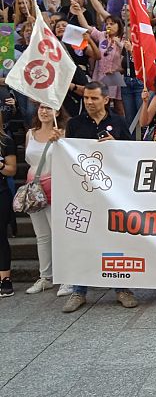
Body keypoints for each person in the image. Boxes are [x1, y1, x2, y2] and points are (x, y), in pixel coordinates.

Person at [62, 82, 137, 312]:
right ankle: (79, 291)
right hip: (82, 194)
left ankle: (121, 288)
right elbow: (66, 155)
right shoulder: (74, 124)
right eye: (86, 98)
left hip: (113, 195)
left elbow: (133, 154)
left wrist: (117, 146)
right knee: (83, 241)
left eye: (94, 98)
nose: (89, 102)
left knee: (116, 240)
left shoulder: (119, 122)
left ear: (106, 99)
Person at [24, 104, 69, 296]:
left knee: (59, 234)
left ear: (57, 112)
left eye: (49, 108)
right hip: (33, 188)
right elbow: (28, 160)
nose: (44, 111)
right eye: (41, 108)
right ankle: (45, 277)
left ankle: (67, 278)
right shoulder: (30, 133)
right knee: (41, 235)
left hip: (55, 186)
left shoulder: (62, 133)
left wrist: (60, 141)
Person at [71, 2, 126, 116]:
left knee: (117, 105)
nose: (109, 26)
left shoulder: (123, 39)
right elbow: (86, 27)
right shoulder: (102, 35)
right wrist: (79, 12)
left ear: (119, 25)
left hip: (114, 75)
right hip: (99, 73)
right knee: (100, 101)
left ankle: (120, 125)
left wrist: (119, 44)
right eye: (107, 24)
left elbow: (127, 55)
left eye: (112, 24)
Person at [0, 111, 17, 298]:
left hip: (1, 192)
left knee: (1, 237)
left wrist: (0, 166)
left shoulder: (6, 141)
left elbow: (12, 170)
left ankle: (5, 279)